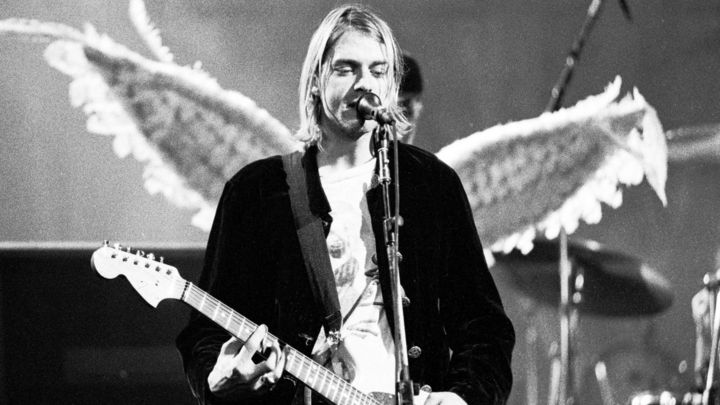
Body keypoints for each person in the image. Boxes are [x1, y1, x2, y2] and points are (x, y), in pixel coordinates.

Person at [176, 4, 515, 405]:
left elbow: (485, 328)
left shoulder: (432, 185)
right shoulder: (257, 192)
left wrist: (462, 398)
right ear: (316, 81)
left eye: (378, 71)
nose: (364, 83)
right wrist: (217, 379)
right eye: (346, 69)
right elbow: (207, 332)